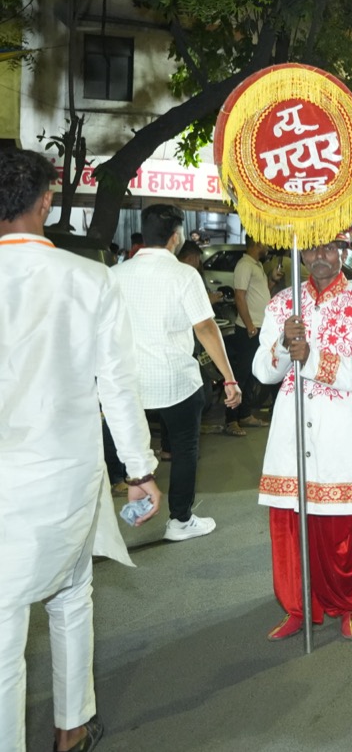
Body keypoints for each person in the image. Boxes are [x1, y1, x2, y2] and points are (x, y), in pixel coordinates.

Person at [0, 148, 163, 752]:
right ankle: (72, 727)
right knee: (71, 595)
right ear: (45, 201)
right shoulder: (89, 279)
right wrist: (140, 471)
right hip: (65, 477)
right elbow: (117, 388)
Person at [253, 229, 352, 643]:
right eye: (313, 247)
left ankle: (348, 605)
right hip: (291, 430)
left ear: (343, 252)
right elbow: (263, 371)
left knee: (342, 528)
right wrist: (281, 343)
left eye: (329, 247)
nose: (320, 256)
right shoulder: (283, 305)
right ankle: (299, 607)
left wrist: (313, 359)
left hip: (342, 429)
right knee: (290, 524)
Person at [110, 203, 240, 542]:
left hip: (129, 382)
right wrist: (228, 377)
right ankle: (179, 520)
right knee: (185, 449)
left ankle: (118, 507)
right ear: (176, 236)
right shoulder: (184, 275)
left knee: (123, 441)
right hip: (175, 381)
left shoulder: (116, 273)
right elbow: (206, 328)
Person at [229, 237, 273, 434]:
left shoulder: (257, 266)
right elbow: (239, 296)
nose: (268, 246)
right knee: (241, 375)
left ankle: (245, 415)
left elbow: (258, 295)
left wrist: (272, 280)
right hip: (249, 329)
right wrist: (249, 326)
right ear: (257, 244)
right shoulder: (244, 265)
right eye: (265, 243)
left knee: (252, 374)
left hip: (258, 327)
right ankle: (231, 420)